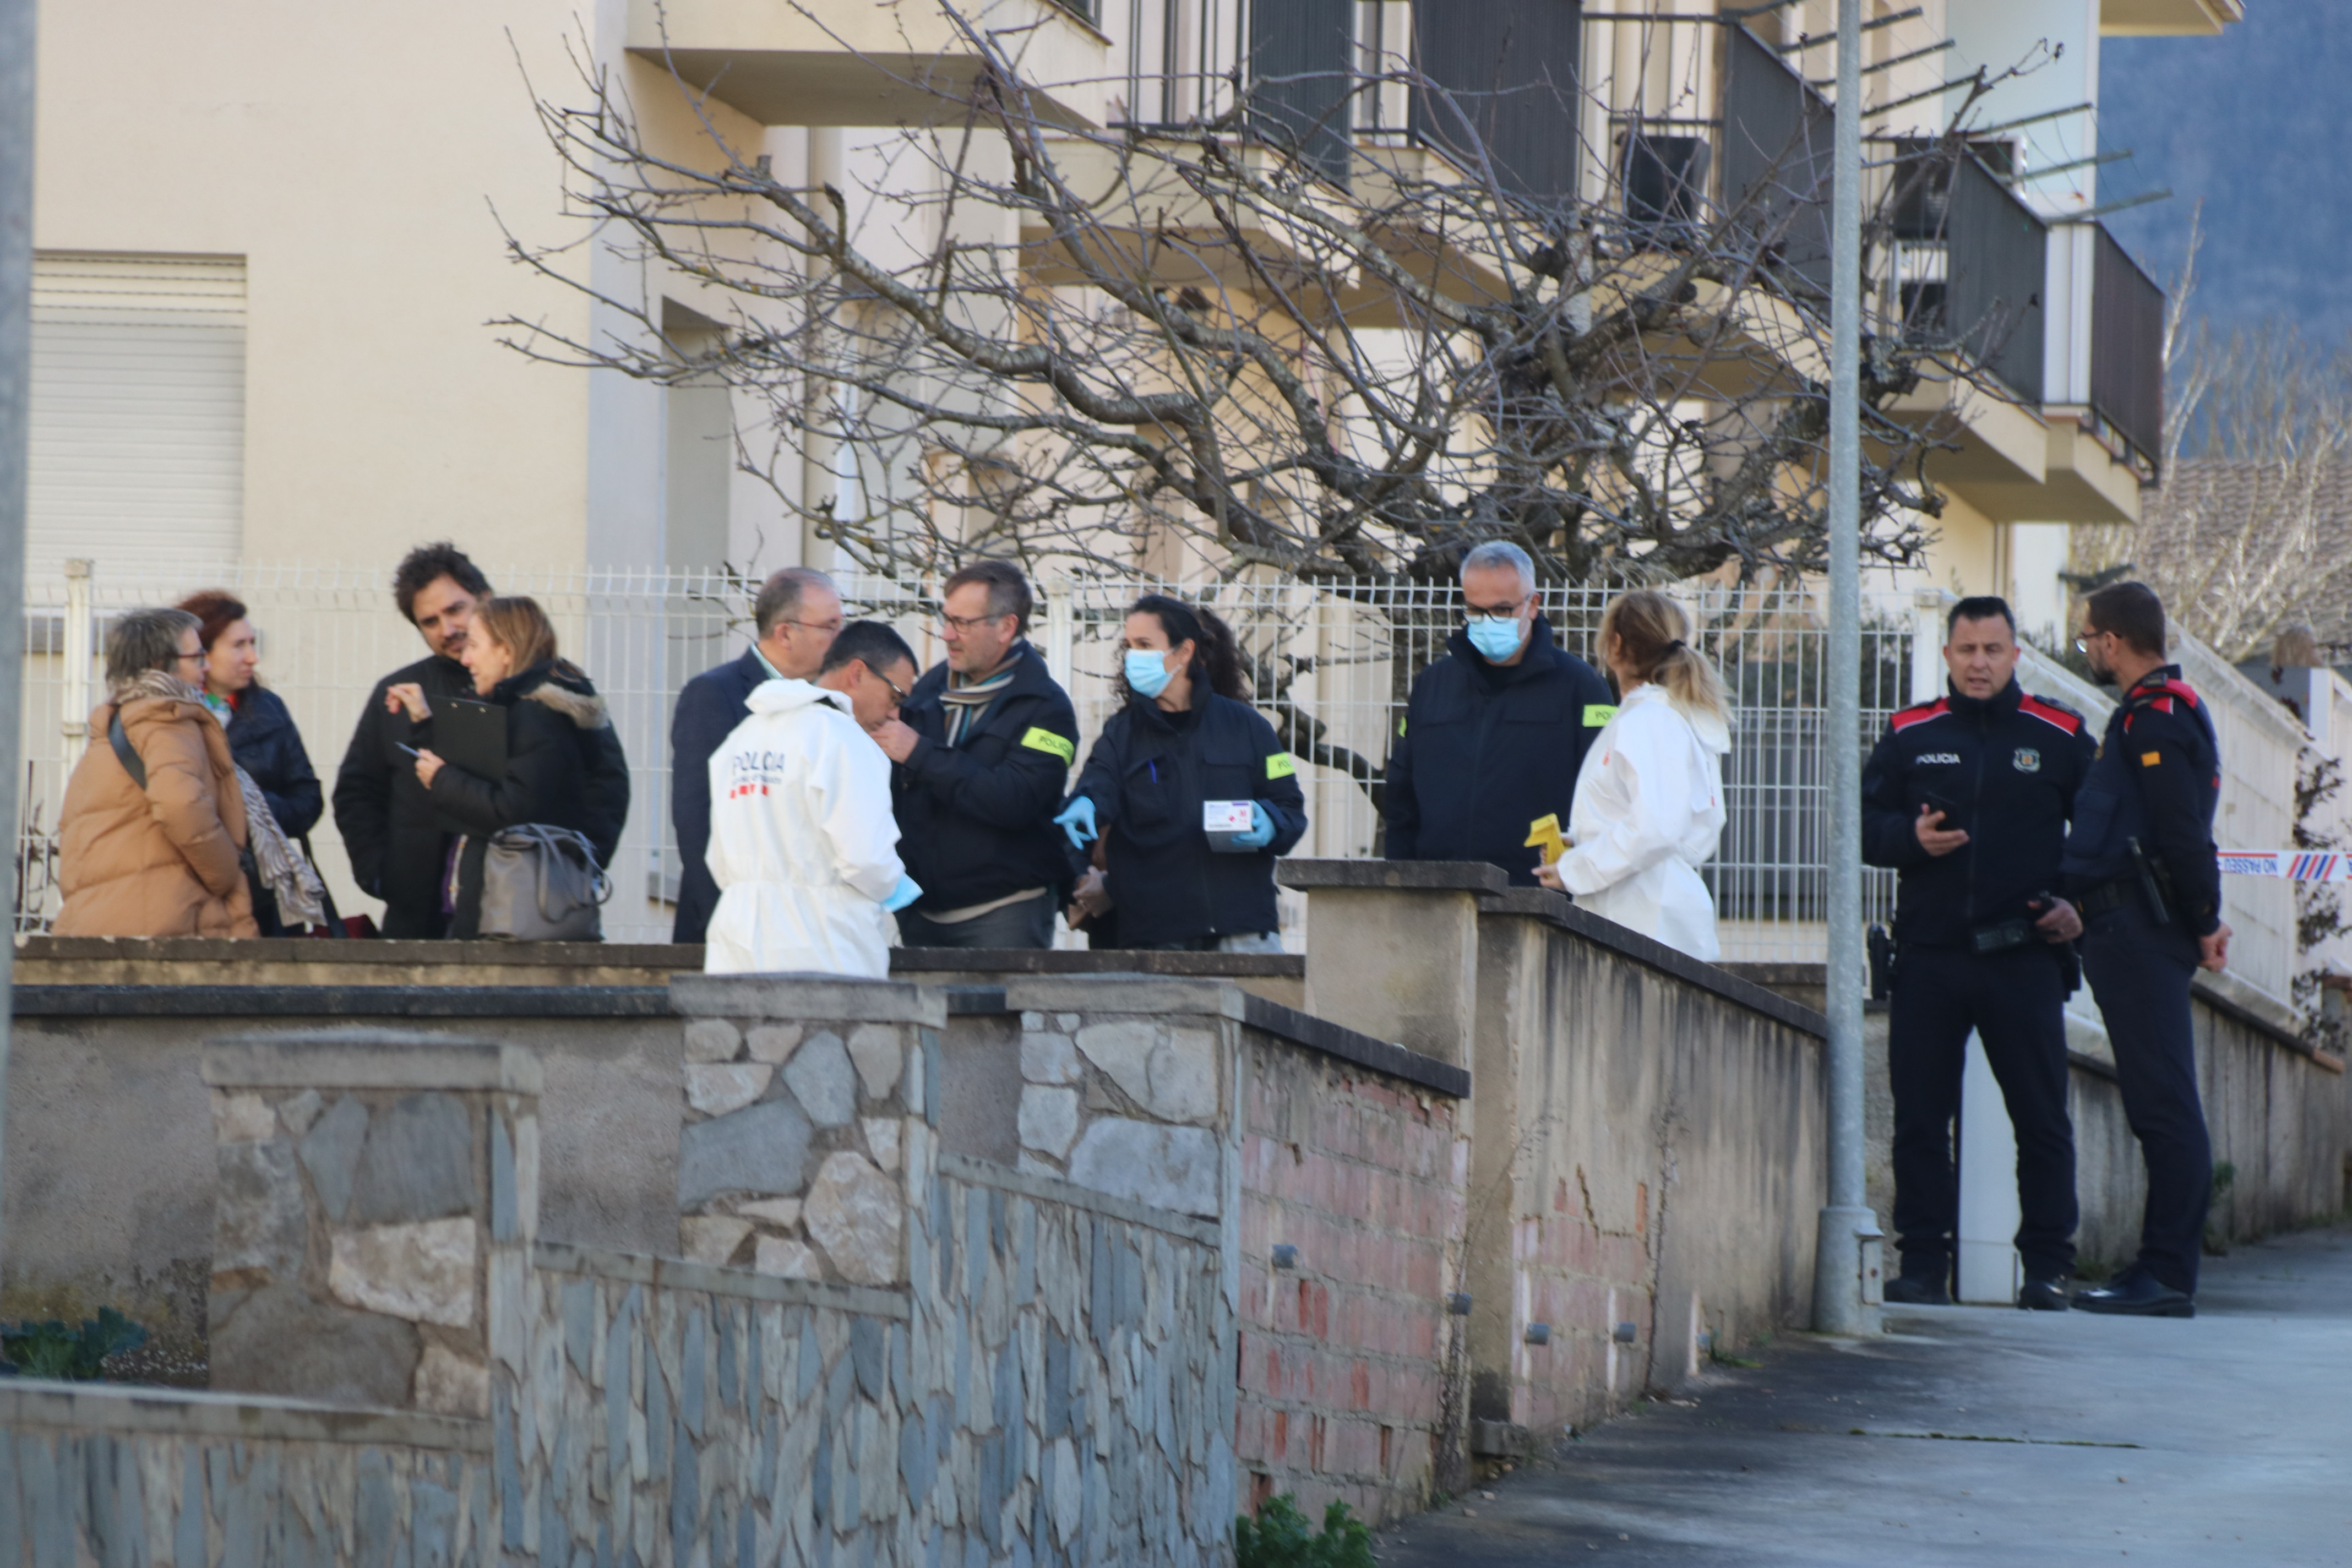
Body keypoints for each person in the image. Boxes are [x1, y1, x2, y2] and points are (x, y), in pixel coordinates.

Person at [1861, 596, 2096, 1311]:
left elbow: (2099, 840)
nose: (1980, 663)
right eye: (1967, 650)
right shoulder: (1909, 734)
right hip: (1931, 958)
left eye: (1993, 650)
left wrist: (2073, 905)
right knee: (1921, 1122)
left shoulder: (2060, 736)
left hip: (2023, 958)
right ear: (1948, 655)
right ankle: (1924, 1267)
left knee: (2042, 1120)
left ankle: (2049, 1269)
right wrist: (1911, 841)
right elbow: (1864, 827)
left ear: (2015, 654)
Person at [2061, 581, 2231, 1319]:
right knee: (2159, 1102)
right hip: (2132, 929)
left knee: (2163, 1105)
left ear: (2110, 641)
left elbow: (2181, 832)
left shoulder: (2155, 719)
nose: (2086, 652)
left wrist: (2204, 918)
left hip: (2142, 930)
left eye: (2086, 640)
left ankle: (2164, 1274)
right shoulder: (2151, 712)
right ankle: (2160, 1269)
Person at [1054, 595, 1308, 951]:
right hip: (1155, 936)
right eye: (1129, 646)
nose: (1133, 656)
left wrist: (1271, 822)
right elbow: (1101, 781)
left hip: (1243, 931)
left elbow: (1291, 809)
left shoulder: (1248, 727)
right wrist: (1087, 803)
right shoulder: (1123, 733)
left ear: (1184, 652)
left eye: (1144, 645)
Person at [393, 596, 631, 939]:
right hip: (532, 903)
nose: (466, 658)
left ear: (507, 652)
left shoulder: (535, 713)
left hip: (516, 913)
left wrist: (443, 779)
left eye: (474, 645)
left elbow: (515, 811)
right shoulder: (543, 704)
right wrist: (426, 725)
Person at [874, 560, 1079, 948]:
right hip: (921, 912)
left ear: (1006, 627)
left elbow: (1015, 800)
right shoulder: (927, 689)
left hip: (1004, 915)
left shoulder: (1049, 709)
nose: (947, 634)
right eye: (946, 618)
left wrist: (921, 754)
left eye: (963, 623)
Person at [1385, 541, 1616, 884]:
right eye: (1475, 611)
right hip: (1437, 895)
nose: (1487, 622)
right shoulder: (1433, 685)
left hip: (1539, 899)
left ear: (1533, 605)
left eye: (1503, 610)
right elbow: (1401, 796)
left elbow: (1608, 796)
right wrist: (1399, 881)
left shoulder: (1582, 688)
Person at [704, 620, 924, 976]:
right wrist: (893, 884)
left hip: (736, 940)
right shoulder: (843, 739)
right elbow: (867, 860)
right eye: (895, 696)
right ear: (857, 673)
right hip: (822, 945)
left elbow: (717, 858)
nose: (895, 713)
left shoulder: (742, 738)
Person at [1535, 589, 1729, 961]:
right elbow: (1683, 822)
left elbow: (1655, 827)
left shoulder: (1648, 721)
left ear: (1616, 645)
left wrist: (1578, 868)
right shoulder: (1674, 716)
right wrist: (1585, 844)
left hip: (1638, 918)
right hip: (1652, 910)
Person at [54, 607, 259, 938]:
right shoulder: (166, 720)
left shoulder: (115, 725)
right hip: (162, 923)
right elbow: (181, 803)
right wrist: (225, 872)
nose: (206, 666)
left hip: (100, 920)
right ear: (159, 665)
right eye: (197, 657)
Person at [669, 568, 845, 944]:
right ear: (786, 633)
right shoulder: (715, 695)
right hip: (730, 927)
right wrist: (727, 917)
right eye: (830, 626)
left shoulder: (829, 704)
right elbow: (696, 818)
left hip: (802, 929)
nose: (840, 638)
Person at [333, 543, 493, 937]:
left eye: (456, 610)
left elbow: (602, 786)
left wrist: (568, 871)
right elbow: (357, 793)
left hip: (518, 909)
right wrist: (384, 877)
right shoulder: (397, 695)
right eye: (430, 621)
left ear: (485, 599)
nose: (447, 630)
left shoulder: (536, 686)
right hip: (418, 915)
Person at [177, 590, 329, 934]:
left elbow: (308, 799)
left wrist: (256, 809)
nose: (253, 657)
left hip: (264, 897)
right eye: (239, 646)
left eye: (253, 643)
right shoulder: (167, 716)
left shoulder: (269, 709)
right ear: (202, 651)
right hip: (189, 894)